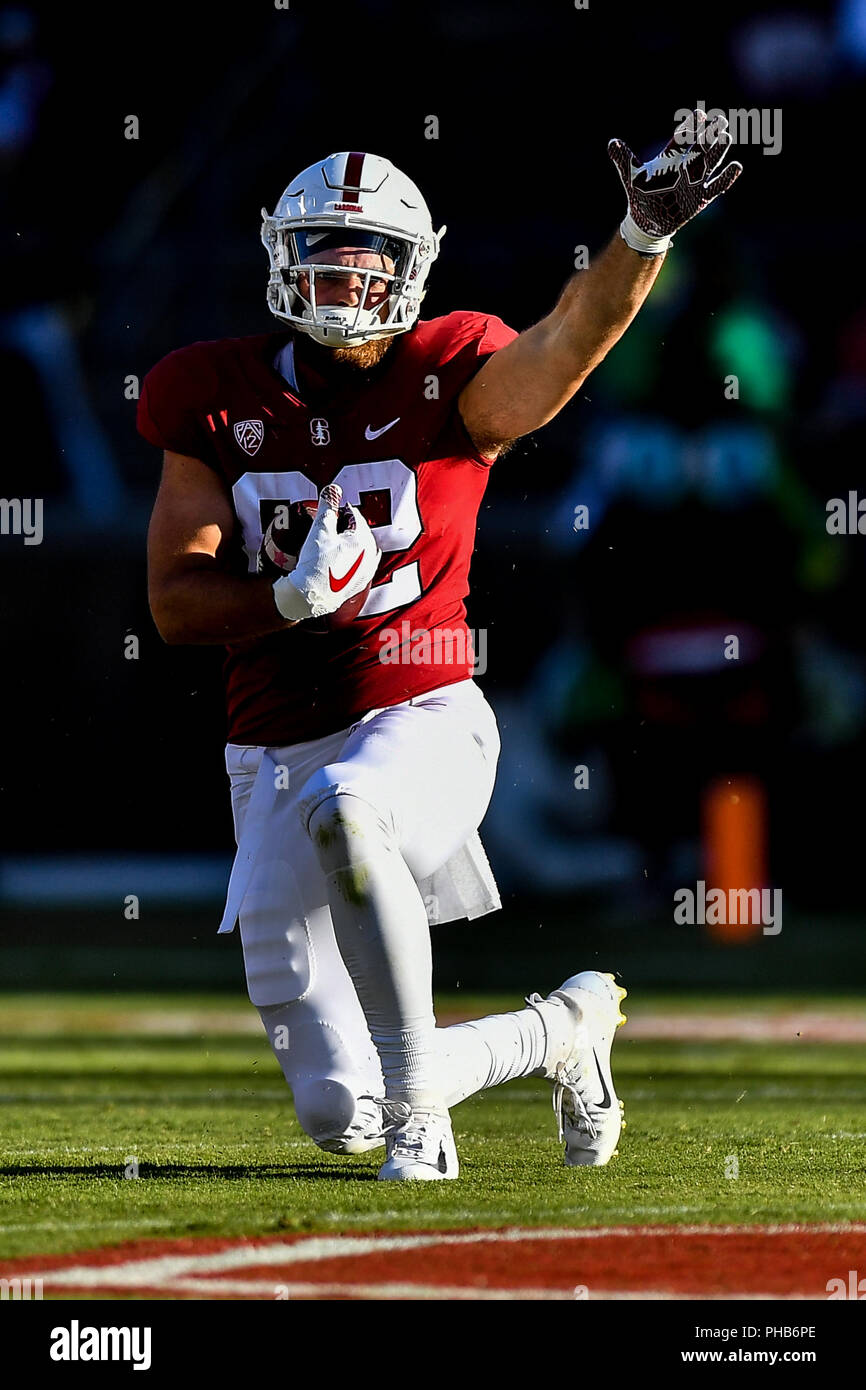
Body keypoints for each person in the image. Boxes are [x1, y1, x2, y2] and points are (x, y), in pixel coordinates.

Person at [140, 112, 741, 1180]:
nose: (343, 273)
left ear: (409, 268)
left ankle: (425, 1117)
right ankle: (557, 1032)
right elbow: (176, 605)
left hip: (420, 716)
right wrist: (282, 599)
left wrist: (637, 241)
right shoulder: (215, 389)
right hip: (270, 751)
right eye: (323, 248)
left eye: (366, 253)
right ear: (282, 257)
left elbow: (562, 343)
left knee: (353, 810)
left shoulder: (446, 366)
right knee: (337, 1109)